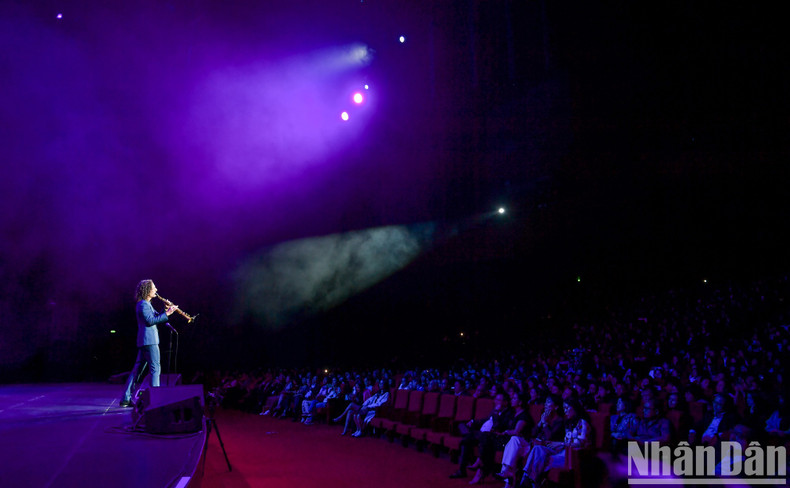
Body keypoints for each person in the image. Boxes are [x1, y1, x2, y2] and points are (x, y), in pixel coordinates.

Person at [119, 280, 178, 407]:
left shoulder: (146, 304)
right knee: (155, 369)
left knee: (137, 371)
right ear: (147, 290)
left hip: (145, 341)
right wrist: (167, 313)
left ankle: (126, 398)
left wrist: (166, 309)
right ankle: (156, 399)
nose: (156, 290)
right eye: (154, 288)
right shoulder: (143, 305)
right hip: (149, 341)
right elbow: (151, 321)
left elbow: (157, 317)